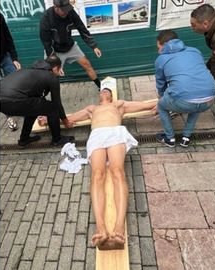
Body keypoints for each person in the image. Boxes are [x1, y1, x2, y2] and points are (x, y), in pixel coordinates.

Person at [65, 87, 157, 249]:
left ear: (111, 95)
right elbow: (69, 118)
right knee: (97, 175)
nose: (103, 92)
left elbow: (141, 105)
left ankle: (119, 226)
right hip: (97, 134)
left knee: (117, 172)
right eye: (101, 91)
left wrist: (157, 104)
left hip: (115, 132)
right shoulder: (92, 109)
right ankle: (100, 227)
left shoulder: (118, 104)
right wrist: (49, 120)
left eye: (106, 91)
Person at [154, 30, 215, 147]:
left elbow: (161, 84)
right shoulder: (195, 51)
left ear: (163, 44)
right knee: (196, 101)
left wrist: (162, 97)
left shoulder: (161, 59)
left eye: (158, 47)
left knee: (161, 106)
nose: (158, 50)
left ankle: (169, 138)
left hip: (184, 101)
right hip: (210, 99)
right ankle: (186, 138)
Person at [1, 55, 74, 147]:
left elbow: (35, 98)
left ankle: (24, 139)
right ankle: (57, 140)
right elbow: (57, 103)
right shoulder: (51, 77)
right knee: (53, 108)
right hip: (14, 100)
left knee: (34, 108)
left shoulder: (32, 70)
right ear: (55, 68)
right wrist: (65, 120)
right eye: (60, 69)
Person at [40, 0, 102, 87]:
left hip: (70, 46)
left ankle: (100, 87)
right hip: (55, 51)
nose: (66, 12)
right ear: (55, 7)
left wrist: (93, 46)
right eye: (63, 10)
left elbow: (82, 29)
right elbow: (46, 43)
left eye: (67, 9)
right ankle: (52, 97)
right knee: (53, 75)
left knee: (87, 64)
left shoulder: (70, 12)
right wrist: (55, 62)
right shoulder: (46, 18)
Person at [0, 13, 21, 132]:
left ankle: (24, 108)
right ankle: (9, 116)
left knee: (17, 81)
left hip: (5, 56)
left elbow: (8, 37)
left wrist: (14, 58)